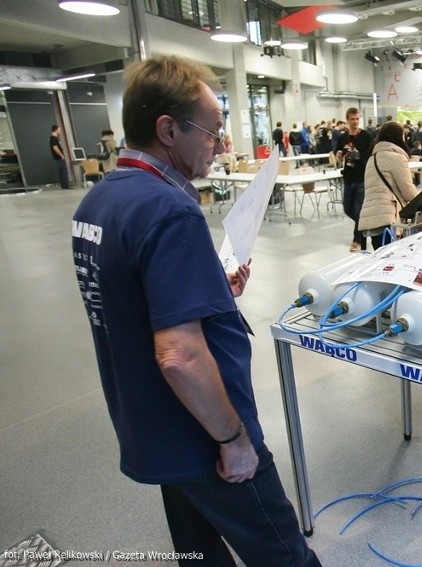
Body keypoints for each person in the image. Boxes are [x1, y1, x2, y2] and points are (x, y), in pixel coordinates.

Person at [70, 55, 322, 567]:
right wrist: (234, 440)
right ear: (167, 129)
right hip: (204, 436)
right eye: (212, 131)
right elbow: (180, 356)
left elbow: (132, 306)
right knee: (284, 554)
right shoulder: (169, 209)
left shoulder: (98, 205)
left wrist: (211, 290)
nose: (221, 144)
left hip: (156, 431)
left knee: (198, 553)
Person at [361, 121, 420, 251]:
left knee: (381, 261)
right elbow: (408, 191)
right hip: (388, 217)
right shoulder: (396, 157)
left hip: (371, 217)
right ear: (398, 137)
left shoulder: (372, 157)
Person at [335, 107, 373, 252]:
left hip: (362, 178)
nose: (355, 121)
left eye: (357, 118)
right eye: (352, 119)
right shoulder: (342, 138)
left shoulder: (366, 136)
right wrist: (339, 155)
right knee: (347, 208)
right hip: (348, 177)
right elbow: (338, 156)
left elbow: (371, 154)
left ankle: (358, 240)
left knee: (358, 210)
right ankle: (364, 225)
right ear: (347, 120)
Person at [50, 124, 70, 189]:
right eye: (59, 129)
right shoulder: (53, 138)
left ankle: (64, 185)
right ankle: (65, 185)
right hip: (59, 157)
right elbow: (55, 147)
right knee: (64, 171)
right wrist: (61, 155)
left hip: (59, 157)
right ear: (56, 130)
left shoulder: (55, 138)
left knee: (62, 171)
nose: (60, 131)